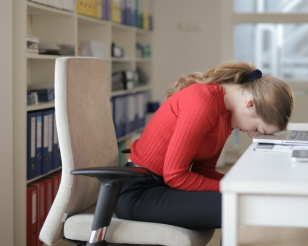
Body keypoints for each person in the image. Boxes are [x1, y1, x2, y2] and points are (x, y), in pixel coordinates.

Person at [115, 61, 294, 230]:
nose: (250, 133)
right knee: (238, 207)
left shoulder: (227, 115)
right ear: (250, 104)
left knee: (243, 200)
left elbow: (204, 171)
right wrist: (233, 187)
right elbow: (175, 175)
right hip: (139, 192)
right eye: (256, 128)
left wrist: (242, 184)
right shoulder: (203, 101)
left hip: (164, 187)